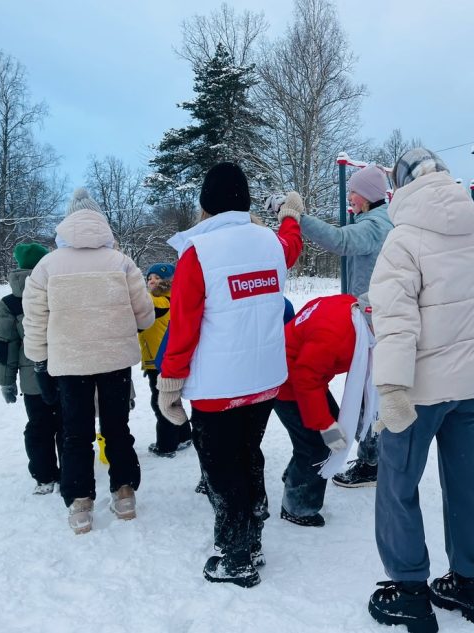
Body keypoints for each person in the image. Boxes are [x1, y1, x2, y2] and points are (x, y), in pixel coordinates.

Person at [366, 148, 474, 632]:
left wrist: (391, 389)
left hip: (422, 388)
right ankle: (470, 585)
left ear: (401, 187)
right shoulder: (472, 228)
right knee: (467, 481)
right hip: (470, 384)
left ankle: (409, 592)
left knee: (397, 482)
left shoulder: (403, 241)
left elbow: (396, 324)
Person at [157, 162, 303, 588]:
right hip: (265, 380)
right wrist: (291, 214)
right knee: (247, 453)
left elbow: (183, 327)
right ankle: (253, 535)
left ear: (206, 204)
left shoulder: (197, 254)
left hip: (219, 387)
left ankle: (237, 554)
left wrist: (170, 383)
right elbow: (291, 245)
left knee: (222, 469)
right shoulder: (270, 243)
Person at [22, 188, 155, 534]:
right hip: (114, 362)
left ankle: (80, 504)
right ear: (101, 223)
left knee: (75, 434)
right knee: (116, 428)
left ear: (66, 223)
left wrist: (39, 359)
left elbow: (35, 320)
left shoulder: (46, 266)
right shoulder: (122, 262)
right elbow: (145, 318)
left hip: (71, 364)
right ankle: (124, 494)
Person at [295, 165, 394, 488]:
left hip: (372, 320)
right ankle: (378, 457)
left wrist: (299, 219)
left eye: (353, 192)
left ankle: (372, 463)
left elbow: (339, 241)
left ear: (367, 196)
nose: (349, 198)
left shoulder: (375, 226)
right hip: (372, 315)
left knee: (370, 393)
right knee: (373, 391)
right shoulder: (380, 221)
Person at [274, 293, 375, 527]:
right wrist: (325, 425)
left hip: (303, 376)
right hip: (287, 383)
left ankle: (295, 476)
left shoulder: (350, 307)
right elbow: (305, 378)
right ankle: (297, 507)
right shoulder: (338, 335)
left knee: (319, 438)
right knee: (318, 446)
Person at [0, 242, 62, 494]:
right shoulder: (57, 289)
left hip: (33, 379)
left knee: (39, 426)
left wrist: (6, 381)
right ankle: (71, 472)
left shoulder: (9, 302)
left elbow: (4, 344)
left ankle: (44, 477)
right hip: (66, 372)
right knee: (67, 425)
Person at [138, 262, 192, 458]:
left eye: (157, 278)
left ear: (168, 281)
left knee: (161, 403)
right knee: (172, 400)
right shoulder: (173, 298)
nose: (152, 281)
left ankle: (167, 445)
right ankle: (184, 435)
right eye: (149, 278)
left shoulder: (161, 301)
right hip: (162, 359)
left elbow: (149, 304)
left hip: (159, 361)